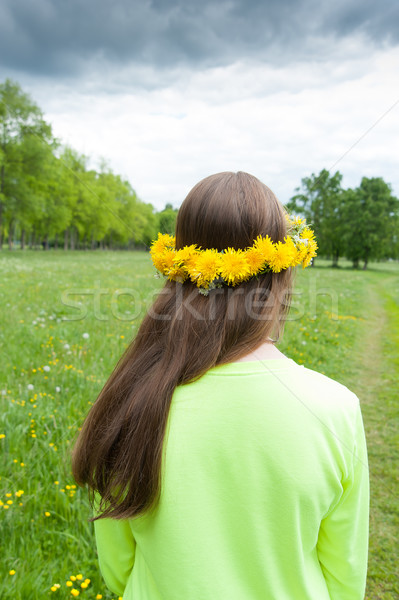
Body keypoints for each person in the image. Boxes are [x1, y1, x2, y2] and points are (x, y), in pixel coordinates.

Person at [72, 171, 369, 600]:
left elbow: (118, 569)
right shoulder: (335, 409)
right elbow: (345, 577)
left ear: (176, 273)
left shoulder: (133, 398)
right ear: (281, 279)